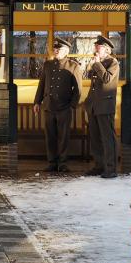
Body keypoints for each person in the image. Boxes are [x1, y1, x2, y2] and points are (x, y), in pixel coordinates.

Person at [33, 36, 83, 172]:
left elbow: (78, 90)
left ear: (66, 51)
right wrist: (37, 102)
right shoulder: (47, 65)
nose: (56, 51)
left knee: (63, 136)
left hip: (64, 108)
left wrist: (71, 106)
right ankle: (52, 162)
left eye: (59, 49)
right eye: (55, 48)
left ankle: (62, 163)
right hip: (49, 106)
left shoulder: (73, 66)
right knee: (50, 136)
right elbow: (42, 84)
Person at [85, 35, 119, 178]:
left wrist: (97, 64)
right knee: (95, 138)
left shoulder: (113, 63)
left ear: (106, 49)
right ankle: (99, 166)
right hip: (93, 106)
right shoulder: (98, 62)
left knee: (107, 138)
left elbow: (106, 79)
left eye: (98, 47)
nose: (95, 49)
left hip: (105, 105)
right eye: (95, 47)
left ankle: (110, 169)